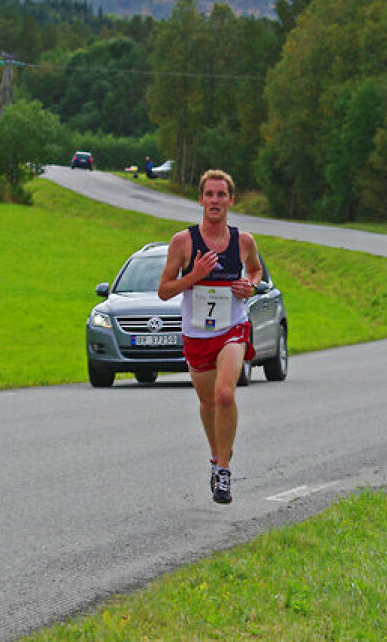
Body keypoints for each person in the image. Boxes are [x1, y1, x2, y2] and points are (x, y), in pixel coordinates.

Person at [158, 169, 262, 504]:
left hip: (232, 328)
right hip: (196, 333)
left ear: (231, 200)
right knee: (206, 403)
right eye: (209, 195)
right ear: (200, 200)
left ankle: (226, 471)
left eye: (221, 195)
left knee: (224, 396)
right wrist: (194, 276)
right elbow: (163, 291)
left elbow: (257, 270)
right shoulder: (183, 242)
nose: (215, 201)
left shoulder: (243, 241)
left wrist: (251, 285)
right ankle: (216, 458)